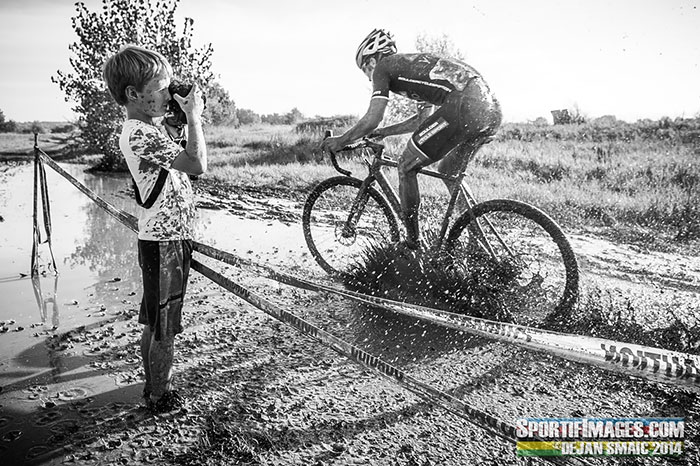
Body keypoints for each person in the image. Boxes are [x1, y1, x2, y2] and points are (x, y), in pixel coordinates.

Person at [321, 29, 502, 250]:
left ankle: (413, 244)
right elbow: (422, 120)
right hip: (490, 109)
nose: (369, 76)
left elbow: (373, 118)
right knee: (449, 170)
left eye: (366, 68)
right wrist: (386, 132)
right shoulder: (415, 66)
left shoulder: (383, 67)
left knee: (406, 166)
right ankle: (478, 244)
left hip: (465, 105)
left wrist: (341, 141)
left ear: (374, 59)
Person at [102, 44, 207, 413]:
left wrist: (180, 115)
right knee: (164, 329)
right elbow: (196, 164)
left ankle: (152, 388)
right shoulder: (139, 133)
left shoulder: (148, 129)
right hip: (165, 242)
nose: (167, 94)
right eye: (161, 88)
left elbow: (183, 159)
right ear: (133, 94)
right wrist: (194, 117)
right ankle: (161, 396)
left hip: (163, 239)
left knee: (155, 323)